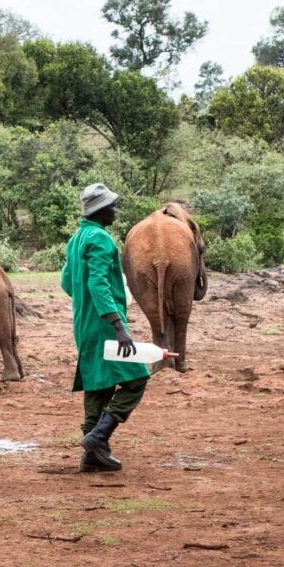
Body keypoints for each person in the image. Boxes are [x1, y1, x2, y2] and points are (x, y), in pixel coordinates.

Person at [61, 182, 175, 472]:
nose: (115, 210)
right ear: (100, 211)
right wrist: (117, 325)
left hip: (84, 323)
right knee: (137, 377)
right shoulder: (101, 239)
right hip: (104, 325)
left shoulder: (77, 239)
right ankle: (99, 436)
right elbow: (98, 282)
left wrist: (86, 304)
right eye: (111, 206)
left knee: (97, 383)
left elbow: (67, 282)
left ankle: (91, 456)